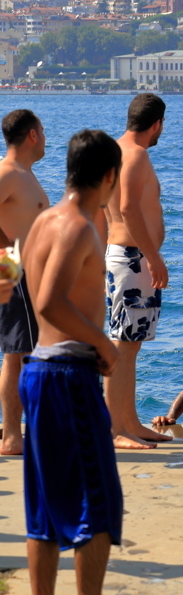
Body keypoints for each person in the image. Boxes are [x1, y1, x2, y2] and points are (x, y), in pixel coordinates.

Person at [21, 129, 123, 595]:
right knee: (97, 506)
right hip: (66, 375)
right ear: (108, 176)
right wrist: (102, 341)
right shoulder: (78, 226)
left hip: (40, 368)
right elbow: (50, 302)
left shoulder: (44, 221)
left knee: (43, 508)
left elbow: (19, 276)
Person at [103, 93, 171, 449]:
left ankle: (129, 422)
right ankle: (115, 429)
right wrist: (153, 257)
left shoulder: (111, 151)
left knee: (130, 344)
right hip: (133, 257)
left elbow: (102, 207)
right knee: (123, 346)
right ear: (156, 123)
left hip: (121, 255)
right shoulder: (138, 154)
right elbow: (128, 208)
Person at [0, 110, 49, 455]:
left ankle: (24, 431)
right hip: (16, 272)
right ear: (32, 135)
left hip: (30, 272)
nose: (45, 139)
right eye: (43, 133)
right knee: (18, 353)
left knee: (26, 352)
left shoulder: (23, 175)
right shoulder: (8, 174)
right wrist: (9, 256)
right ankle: (13, 437)